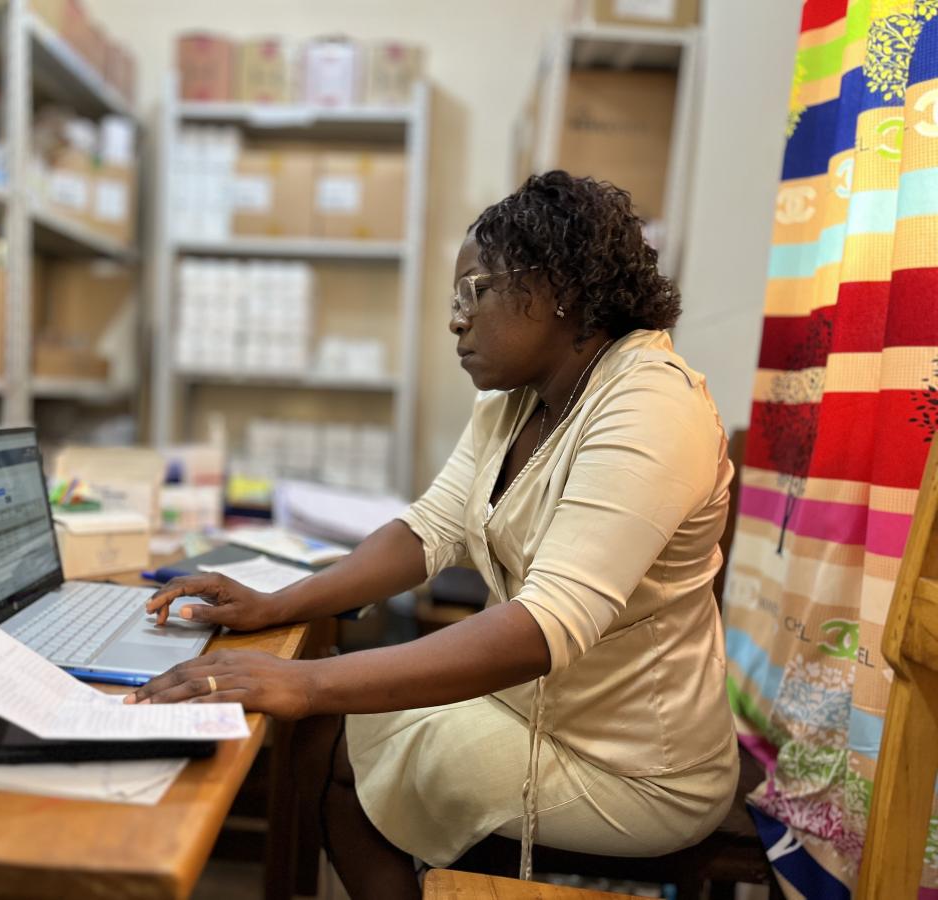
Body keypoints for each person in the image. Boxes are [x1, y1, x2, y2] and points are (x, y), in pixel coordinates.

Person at [127, 171, 739, 899]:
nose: (456, 319)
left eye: (473, 293)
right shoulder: (516, 404)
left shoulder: (651, 407)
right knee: (319, 738)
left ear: (555, 289)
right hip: (528, 709)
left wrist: (304, 679)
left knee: (323, 741)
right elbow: (426, 531)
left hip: (631, 764)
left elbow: (544, 626)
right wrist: (278, 604)